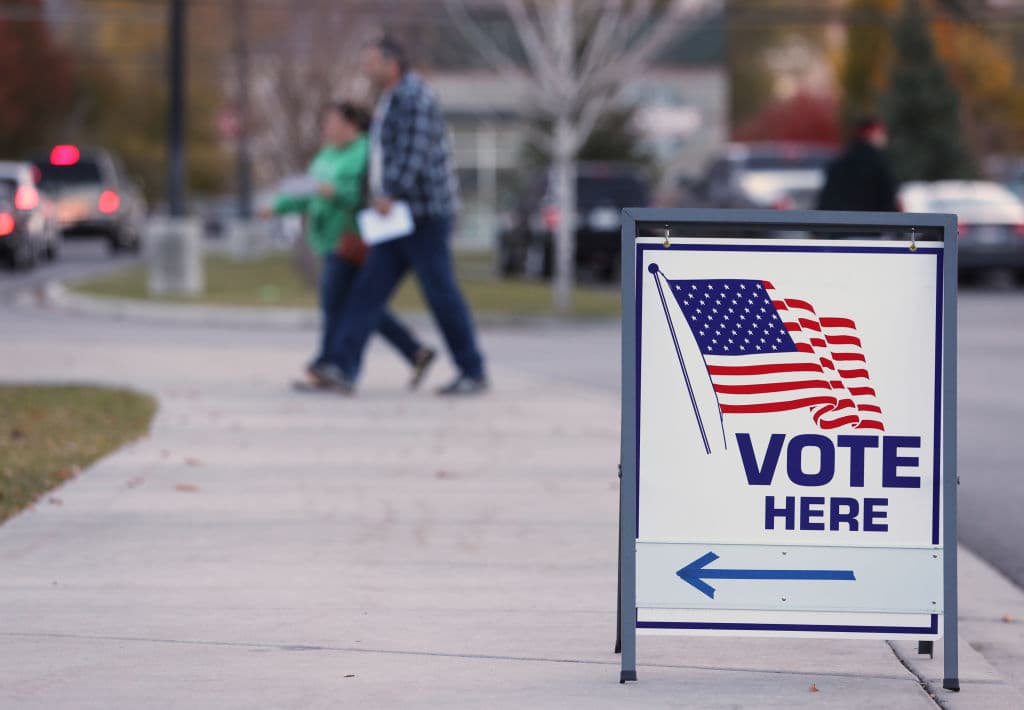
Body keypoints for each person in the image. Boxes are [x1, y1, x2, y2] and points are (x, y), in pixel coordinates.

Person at [314, 37, 488, 396]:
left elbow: (415, 152)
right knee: (366, 292)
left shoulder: (414, 96)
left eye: (371, 61)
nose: (366, 68)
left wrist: (390, 191)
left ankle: (472, 369)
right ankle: (342, 369)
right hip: (394, 219)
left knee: (441, 294)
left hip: (423, 215)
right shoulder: (391, 98)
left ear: (391, 62)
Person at [261, 101, 435, 391]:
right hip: (329, 237)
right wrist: (278, 206)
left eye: (332, 121)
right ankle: (413, 352)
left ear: (351, 124)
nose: (327, 127)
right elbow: (308, 190)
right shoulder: (328, 154)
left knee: (339, 302)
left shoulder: (367, 152)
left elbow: (367, 192)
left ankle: (332, 366)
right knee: (360, 305)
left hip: (356, 238)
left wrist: (337, 191)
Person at [817, 118, 899, 212]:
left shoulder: (840, 162)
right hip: (871, 223)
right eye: (881, 133)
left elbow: (826, 201)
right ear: (870, 133)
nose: (884, 137)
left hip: (839, 222)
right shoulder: (879, 164)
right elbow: (887, 202)